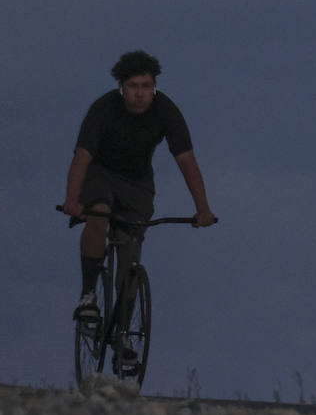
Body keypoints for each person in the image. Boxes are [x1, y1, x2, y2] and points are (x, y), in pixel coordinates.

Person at [62, 50, 217, 320]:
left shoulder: (166, 111)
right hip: (101, 174)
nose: (140, 93)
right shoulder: (104, 108)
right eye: (133, 86)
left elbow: (187, 161)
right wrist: (72, 200)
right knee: (98, 213)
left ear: (154, 87)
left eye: (146, 86)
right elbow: (82, 157)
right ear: (121, 88)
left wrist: (203, 209)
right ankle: (88, 294)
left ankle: (123, 326)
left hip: (137, 182)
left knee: (130, 247)